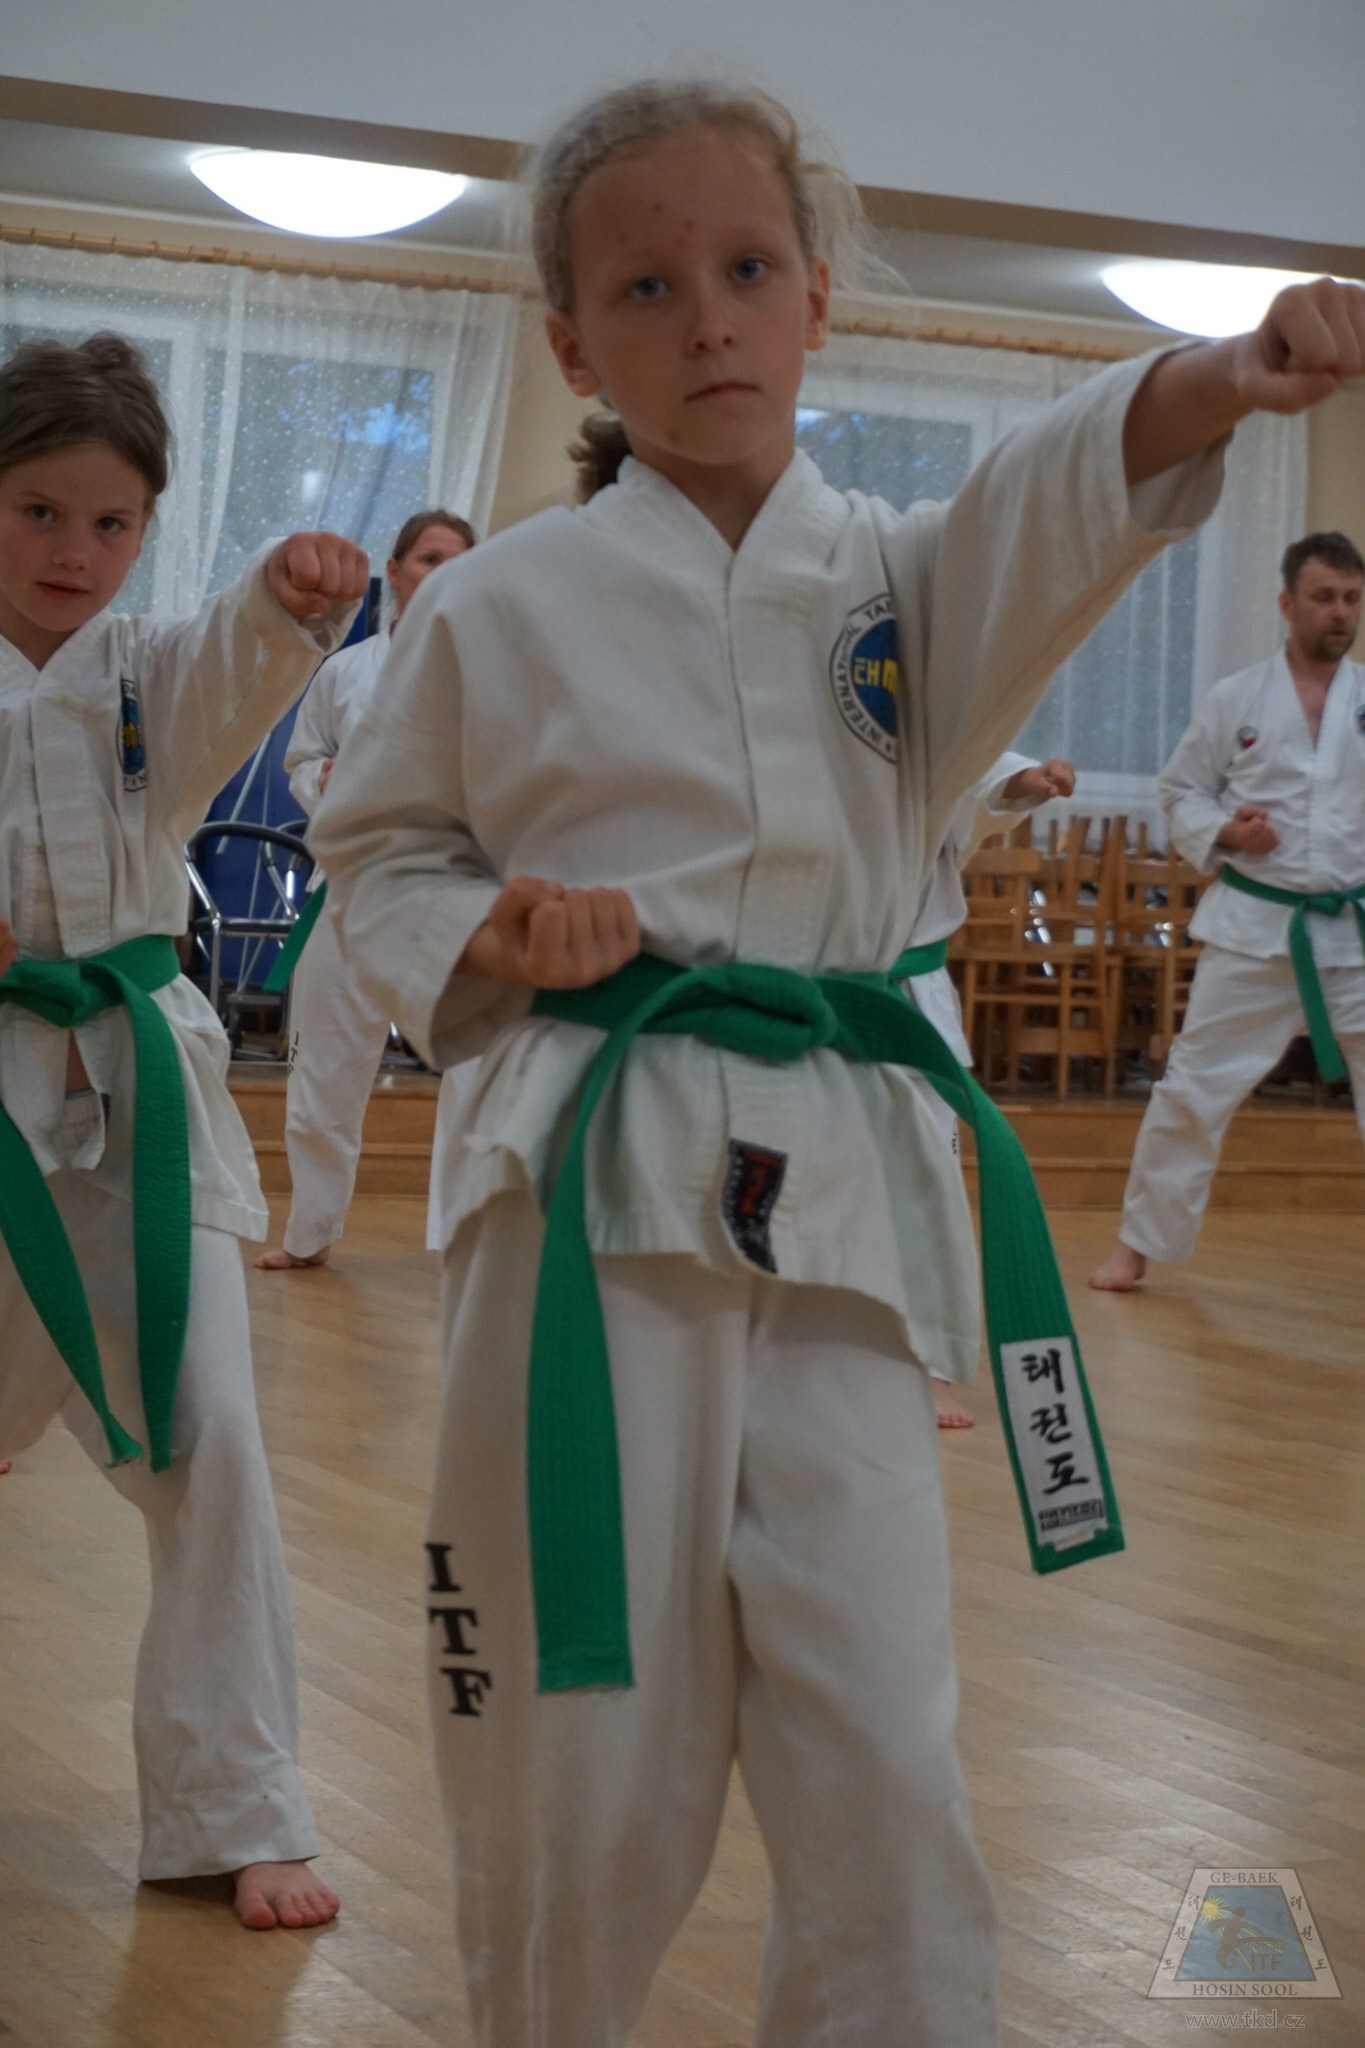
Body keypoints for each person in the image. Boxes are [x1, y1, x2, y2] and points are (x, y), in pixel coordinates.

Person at [314, 76, 1365, 2048]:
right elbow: (374, 850)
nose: (706, 319)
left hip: (847, 1206)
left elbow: (1063, 487)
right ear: (573, 347)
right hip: (586, 1189)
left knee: (882, 1743)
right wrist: (486, 931)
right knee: (575, 1737)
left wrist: (1229, 374)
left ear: (815, 302)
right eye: (646, 286)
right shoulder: (501, 604)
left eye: (745, 269)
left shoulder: (906, 578)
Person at [0, 331, 367, 1928]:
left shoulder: (153, 671)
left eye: (112, 522)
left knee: (214, 1434)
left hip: (138, 1099)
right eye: (36, 511)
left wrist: (287, 601)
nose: (74, 551)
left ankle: (236, 1806)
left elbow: (234, 664)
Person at [1091, 530, 1365, 1291]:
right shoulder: (1235, 699)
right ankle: (1135, 1246)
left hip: (1354, 934)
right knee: (1191, 1088)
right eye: (1323, 597)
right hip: (1253, 930)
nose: (1340, 613)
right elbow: (1180, 790)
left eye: (1351, 598)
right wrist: (1225, 832)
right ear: (1287, 604)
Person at [256, 509, 476, 1272]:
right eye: (429, 558)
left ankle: (466, 1234)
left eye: (459, 561)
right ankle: (310, 1231)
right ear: (396, 569)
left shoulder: (497, 669)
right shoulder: (345, 671)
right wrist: (329, 780)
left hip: (456, 891)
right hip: (349, 889)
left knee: (478, 1063)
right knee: (325, 1065)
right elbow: (300, 760)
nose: (443, 573)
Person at [905, 751, 1076, 1426]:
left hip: (905, 988)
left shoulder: (920, 730)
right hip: (806, 981)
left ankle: (929, 1363)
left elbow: (972, 759)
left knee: (931, 1177)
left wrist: (1019, 779)